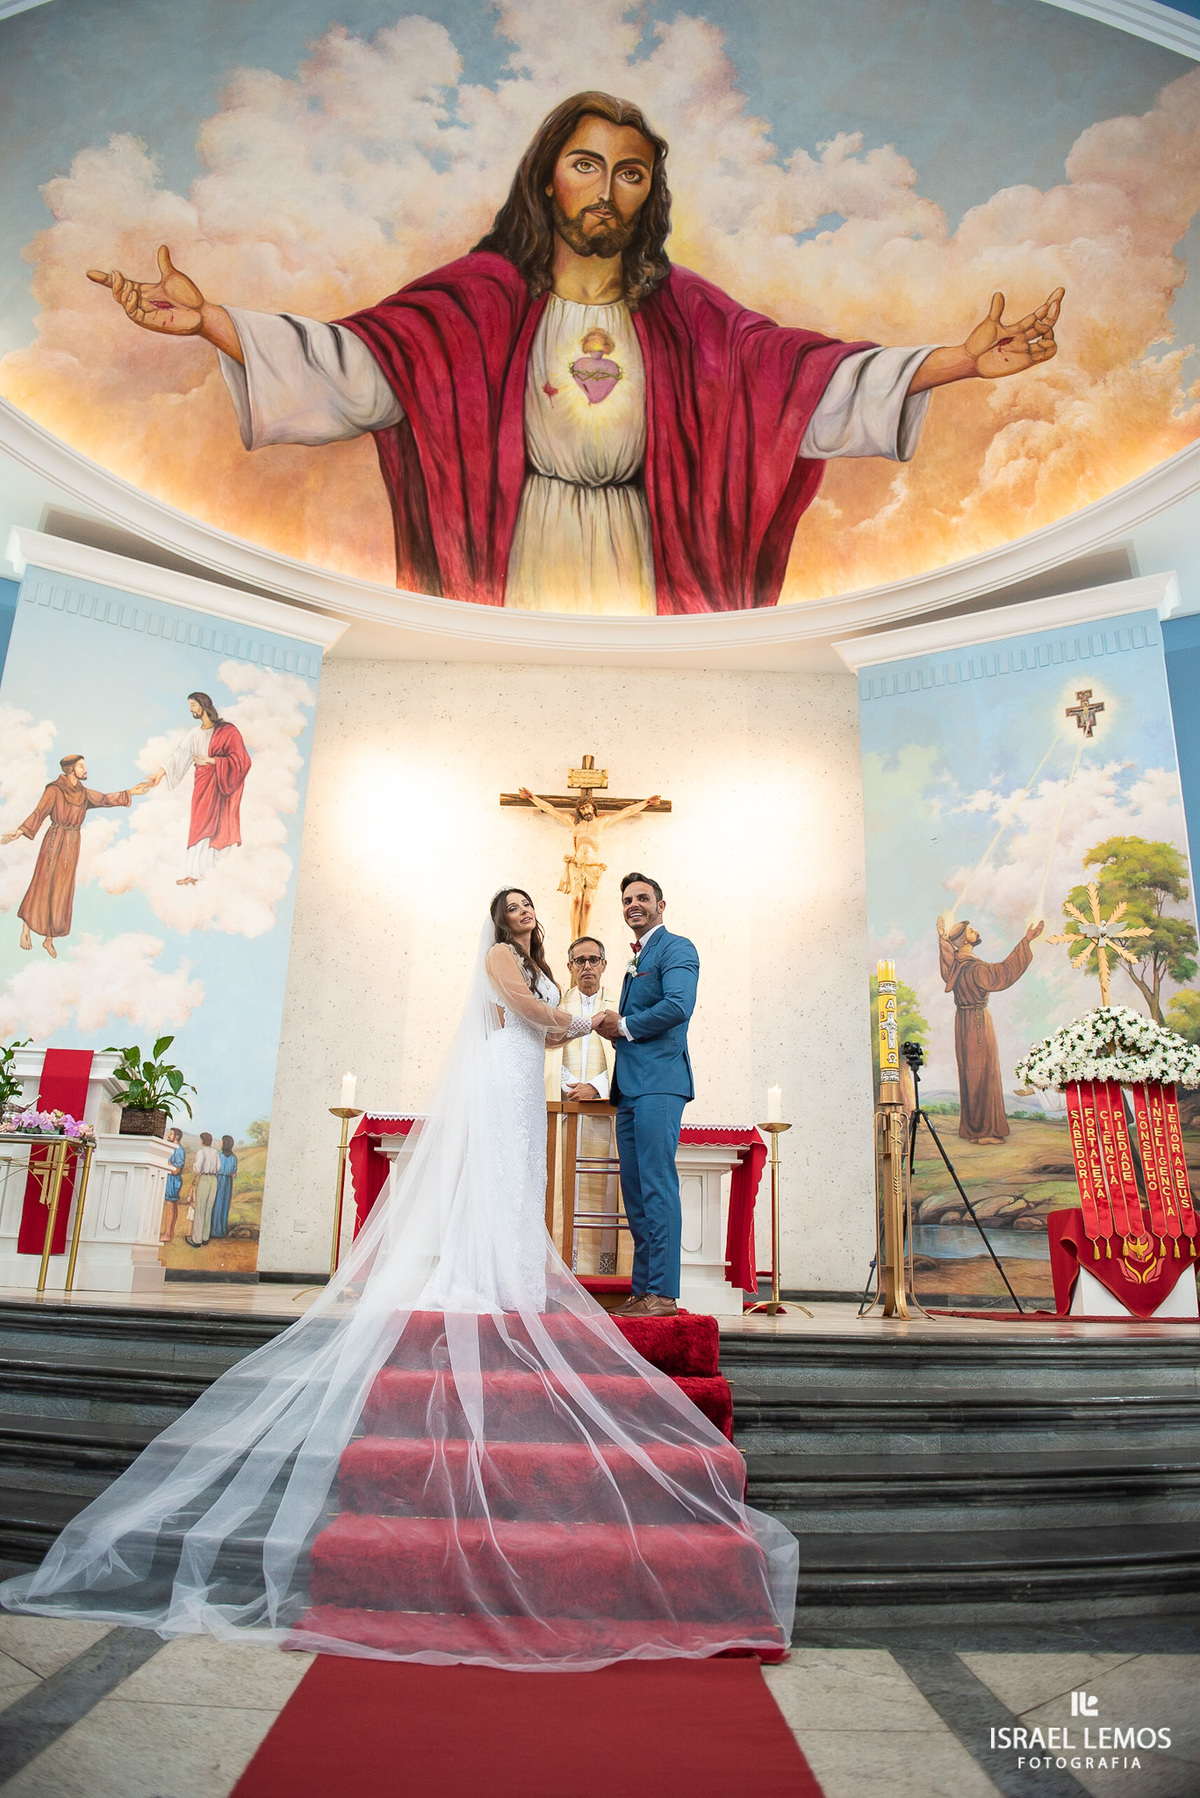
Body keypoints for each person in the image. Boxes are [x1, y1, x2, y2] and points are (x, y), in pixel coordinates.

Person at [0, 888, 797, 1669]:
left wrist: (578, 1028)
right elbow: (528, 1012)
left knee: (527, 1181)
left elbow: (551, 1022)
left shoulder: (576, 962)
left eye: (529, 907)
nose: (524, 914)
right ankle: (486, 1273)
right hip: (504, 1073)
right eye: (513, 907)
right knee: (505, 1177)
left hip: (536, 1073)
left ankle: (520, 1274)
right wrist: (588, 1019)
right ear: (497, 918)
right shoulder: (501, 958)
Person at [87, 92, 1063, 617]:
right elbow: (359, 368)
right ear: (548, 179)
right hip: (520, 551)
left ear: (648, 193)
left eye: (630, 172)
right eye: (587, 164)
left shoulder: (689, 317)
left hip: (646, 553)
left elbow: (802, 385)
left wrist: (957, 362)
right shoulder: (479, 301)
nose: (607, 188)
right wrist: (212, 321)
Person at [595, 874, 698, 1317]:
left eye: (642, 898)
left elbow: (678, 1005)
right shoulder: (634, 959)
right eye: (626, 900)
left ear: (660, 905)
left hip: (660, 1081)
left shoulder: (677, 948)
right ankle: (643, 1291)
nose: (633, 904)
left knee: (657, 1185)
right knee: (635, 1193)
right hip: (630, 1087)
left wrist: (623, 1025)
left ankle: (664, 1293)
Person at [1, 756, 152, 957]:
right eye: (81, 766)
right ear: (71, 770)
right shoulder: (54, 790)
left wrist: (131, 792)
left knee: (62, 889)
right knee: (43, 883)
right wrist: (19, 832)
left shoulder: (83, 793)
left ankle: (49, 939)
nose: (85, 769)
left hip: (72, 844)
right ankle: (26, 928)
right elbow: (39, 812)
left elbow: (105, 799)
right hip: (54, 841)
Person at [544, 936, 623, 1274]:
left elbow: (628, 1053)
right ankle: (564, 1265)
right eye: (580, 961)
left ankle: (602, 1270)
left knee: (606, 1190)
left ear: (604, 965)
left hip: (606, 1115)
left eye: (593, 960)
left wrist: (596, 1087)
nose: (587, 966)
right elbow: (547, 1053)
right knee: (564, 1186)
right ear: (570, 967)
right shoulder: (556, 1005)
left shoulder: (620, 1003)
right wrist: (570, 1086)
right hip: (565, 1113)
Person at [938, 915, 1044, 1144]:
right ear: (963, 940)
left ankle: (974, 1130)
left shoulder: (956, 966)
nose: (976, 932)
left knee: (971, 1075)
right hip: (978, 1023)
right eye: (971, 930)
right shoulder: (976, 968)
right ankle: (985, 1132)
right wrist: (1026, 942)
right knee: (984, 1073)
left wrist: (942, 940)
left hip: (963, 1023)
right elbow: (1003, 973)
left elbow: (947, 962)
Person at [147, 692, 251, 886]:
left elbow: (242, 760)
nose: (191, 709)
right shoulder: (194, 734)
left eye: (193, 705)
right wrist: (160, 774)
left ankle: (216, 874)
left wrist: (214, 761)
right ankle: (194, 872)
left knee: (221, 826)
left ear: (204, 705)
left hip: (222, 786)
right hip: (203, 785)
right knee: (200, 825)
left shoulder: (228, 731)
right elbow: (179, 754)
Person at [186, 1132, 220, 1246]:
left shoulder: (201, 1152)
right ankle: (205, 1237)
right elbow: (219, 1167)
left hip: (205, 1179)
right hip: (214, 1180)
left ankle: (197, 1239)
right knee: (209, 1208)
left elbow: (197, 1168)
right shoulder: (215, 1152)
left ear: (202, 1141)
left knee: (200, 1209)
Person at [160, 1127, 186, 1245]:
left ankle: (167, 1233)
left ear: (176, 1137)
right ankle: (169, 1232)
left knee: (170, 1206)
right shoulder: (173, 1148)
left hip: (173, 1180)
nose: (168, 1136)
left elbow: (176, 1170)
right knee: (172, 1206)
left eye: (171, 1134)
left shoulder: (179, 1150)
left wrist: (166, 1162)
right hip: (172, 1180)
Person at [211, 1135, 238, 1239]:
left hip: (219, 1180)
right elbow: (234, 1173)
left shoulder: (219, 1156)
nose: (220, 1143)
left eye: (221, 1141)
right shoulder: (233, 1158)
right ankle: (222, 1230)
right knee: (225, 1205)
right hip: (228, 1182)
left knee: (217, 1204)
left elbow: (215, 1169)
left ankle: (214, 1230)